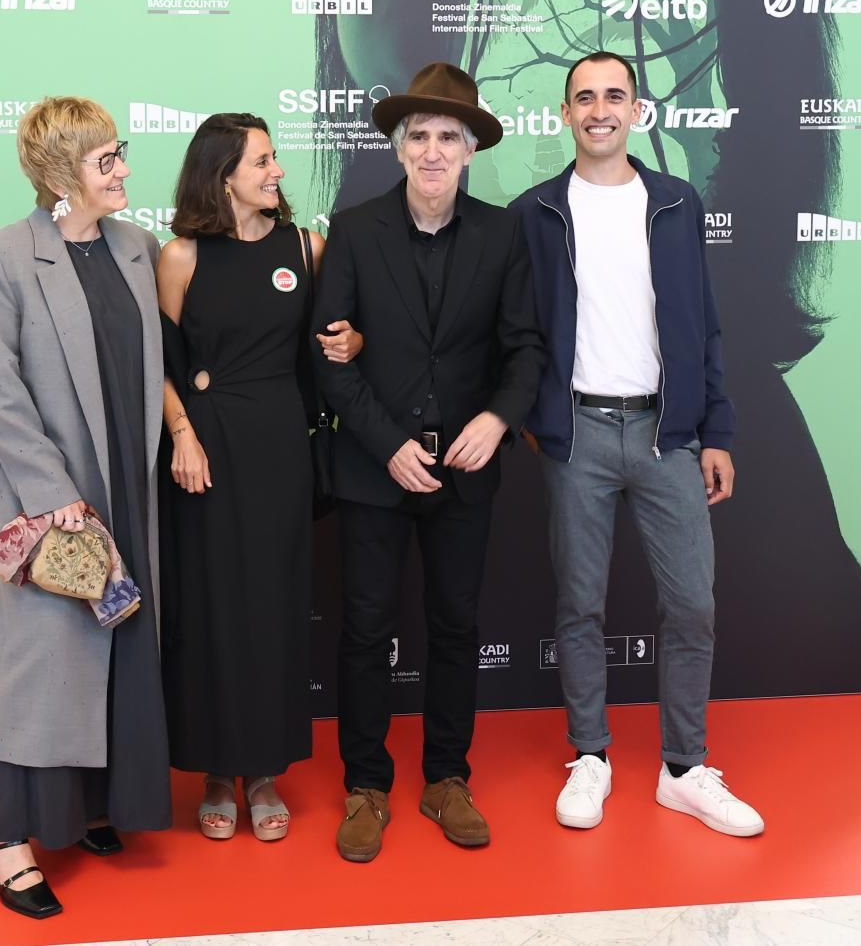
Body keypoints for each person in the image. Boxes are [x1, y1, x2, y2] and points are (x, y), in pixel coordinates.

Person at [510, 52, 764, 838]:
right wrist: (536, 416)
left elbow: (704, 329)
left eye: (613, 95)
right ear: (563, 113)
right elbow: (517, 333)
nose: (598, 108)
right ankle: (590, 755)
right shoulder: (535, 211)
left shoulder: (677, 203)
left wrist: (714, 430)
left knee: (692, 604)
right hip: (577, 432)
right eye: (583, 96)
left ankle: (683, 769)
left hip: (668, 435)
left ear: (637, 111)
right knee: (578, 605)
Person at [310, 62, 545, 863]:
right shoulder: (353, 228)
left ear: (472, 148)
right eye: (421, 136)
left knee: (455, 626)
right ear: (400, 147)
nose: (435, 150)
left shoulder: (502, 233)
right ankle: (366, 787)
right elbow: (330, 359)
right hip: (375, 469)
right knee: (366, 630)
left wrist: (497, 419)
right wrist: (388, 445)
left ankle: (447, 779)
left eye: (451, 136)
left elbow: (525, 350)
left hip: (468, 471)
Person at [0, 96, 172, 919]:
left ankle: (89, 809)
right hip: (54, 499)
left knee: (116, 651)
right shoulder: (6, 257)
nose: (122, 169)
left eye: (119, 153)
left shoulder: (135, 249)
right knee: (45, 666)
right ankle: (9, 838)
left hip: (130, 483)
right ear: (62, 175)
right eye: (105, 160)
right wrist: (54, 498)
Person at [157, 113, 361, 842]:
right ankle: (216, 770)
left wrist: (354, 338)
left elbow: (343, 335)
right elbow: (159, 366)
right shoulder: (180, 258)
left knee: (274, 607)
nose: (277, 171)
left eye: (274, 159)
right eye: (262, 161)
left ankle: (266, 770)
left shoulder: (307, 249)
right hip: (203, 454)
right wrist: (182, 435)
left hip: (281, 450)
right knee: (211, 608)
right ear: (222, 176)